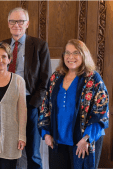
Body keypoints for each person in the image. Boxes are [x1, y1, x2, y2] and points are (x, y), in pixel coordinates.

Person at [38, 39, 109, 169]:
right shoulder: (55, 77)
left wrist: (87, 138)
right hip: (57, 141)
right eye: (67, 53)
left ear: (84, 55)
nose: (71, 57)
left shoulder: (93, 79)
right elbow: (45, 106)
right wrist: (46, 133)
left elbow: (101, 112)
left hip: (83, 141)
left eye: (75, 53)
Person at [0, 7, 52, 169]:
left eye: (20, 21)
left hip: (31, 103)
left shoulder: (39, 45)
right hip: (7, 104)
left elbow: (46, 80)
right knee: (8, 151)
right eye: (13, 21)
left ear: (27, 23)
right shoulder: (2, 45)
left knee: (33, 152)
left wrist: (33, 105)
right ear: (8, 24)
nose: (17, 25)